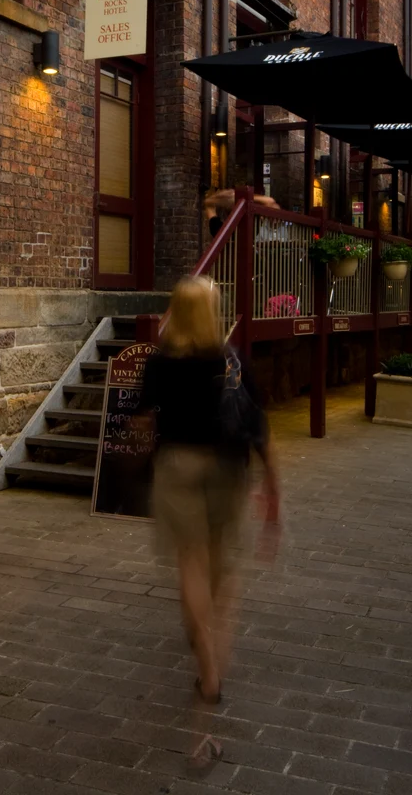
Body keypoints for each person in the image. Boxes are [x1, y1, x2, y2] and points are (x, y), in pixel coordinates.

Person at [139, 276, 279, 766]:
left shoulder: (160, 362)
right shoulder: (231, 361)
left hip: (178, 466)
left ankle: (208, 668)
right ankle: (215, 656)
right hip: (227, 468)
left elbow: (139, 418)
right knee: (223, 571)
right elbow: (259, 430)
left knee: (191, 563)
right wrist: (274, 498)